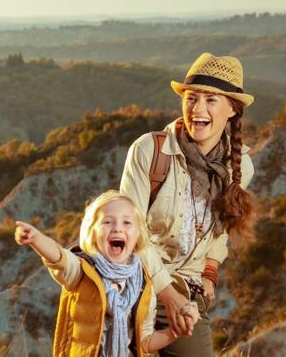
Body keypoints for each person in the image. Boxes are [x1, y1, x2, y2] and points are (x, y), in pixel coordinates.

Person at [119, 53, 256, 356]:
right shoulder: (150, 151)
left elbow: (221, 229)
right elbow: (130, 232)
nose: (198, 109)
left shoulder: (240, 167)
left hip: (187, 292)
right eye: (192, 98)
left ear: (232, 109)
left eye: (211, 100)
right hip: (135, 286)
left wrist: (210, 272)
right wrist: (166, 293)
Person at [14, 190, 179, 356]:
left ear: (137, 235)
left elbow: (144, 343)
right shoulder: (83, 270)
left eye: (127, 223)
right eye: (108, 222)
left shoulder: (143, 284)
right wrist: (36, 239)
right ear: (92, 233)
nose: (117, 229)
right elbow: (59, 257)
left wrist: (175, 331)